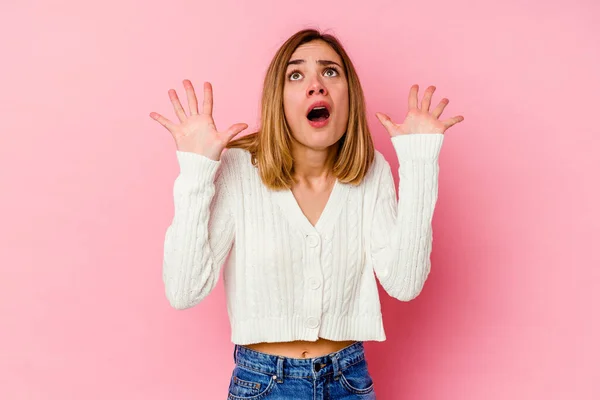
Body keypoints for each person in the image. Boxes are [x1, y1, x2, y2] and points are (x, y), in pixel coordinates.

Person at [150, 28, 463, 399]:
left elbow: (405, 283)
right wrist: (197, 168)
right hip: (263, 384)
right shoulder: (237, 170)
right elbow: (184, 290)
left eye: (330, 71)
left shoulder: (371, 172)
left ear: (349, 94)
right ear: (278, 99)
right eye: (296, 75)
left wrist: (420, 160)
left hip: (349, 382)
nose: (316, 85)